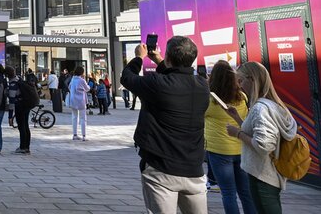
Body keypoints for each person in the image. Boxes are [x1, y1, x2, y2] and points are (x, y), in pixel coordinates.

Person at [121, 37, 210, 214]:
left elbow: (127, 78)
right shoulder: (202, 86)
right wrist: (161, 61)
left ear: (169, 56)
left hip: (161, 168)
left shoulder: (157, 83)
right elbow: (178, 78)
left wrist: (139, 57)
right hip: (194, 169)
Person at [225, 61, 297, 214]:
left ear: (252, 80)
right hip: (271, 173)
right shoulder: (273, 105)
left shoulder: (260, 108)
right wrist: (238, 119)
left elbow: (264, 145)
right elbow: (260, 133)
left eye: (241, 80)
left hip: (262, 175)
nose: (238, 85)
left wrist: (237, 133)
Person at [205, 60, 256, 214]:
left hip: (218, 151)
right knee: (246, 193)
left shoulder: (209, 99)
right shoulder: (242, 97)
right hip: (241, 148)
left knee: (228, 193)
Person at [67, 66, 89, 142]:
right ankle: (84, 136)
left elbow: (69, 87)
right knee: (83, 118)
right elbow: (87, 88)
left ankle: (75, 134)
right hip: (81, 100)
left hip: (73, 100)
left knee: (74, 117)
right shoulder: (81, 80)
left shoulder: (73, 79)